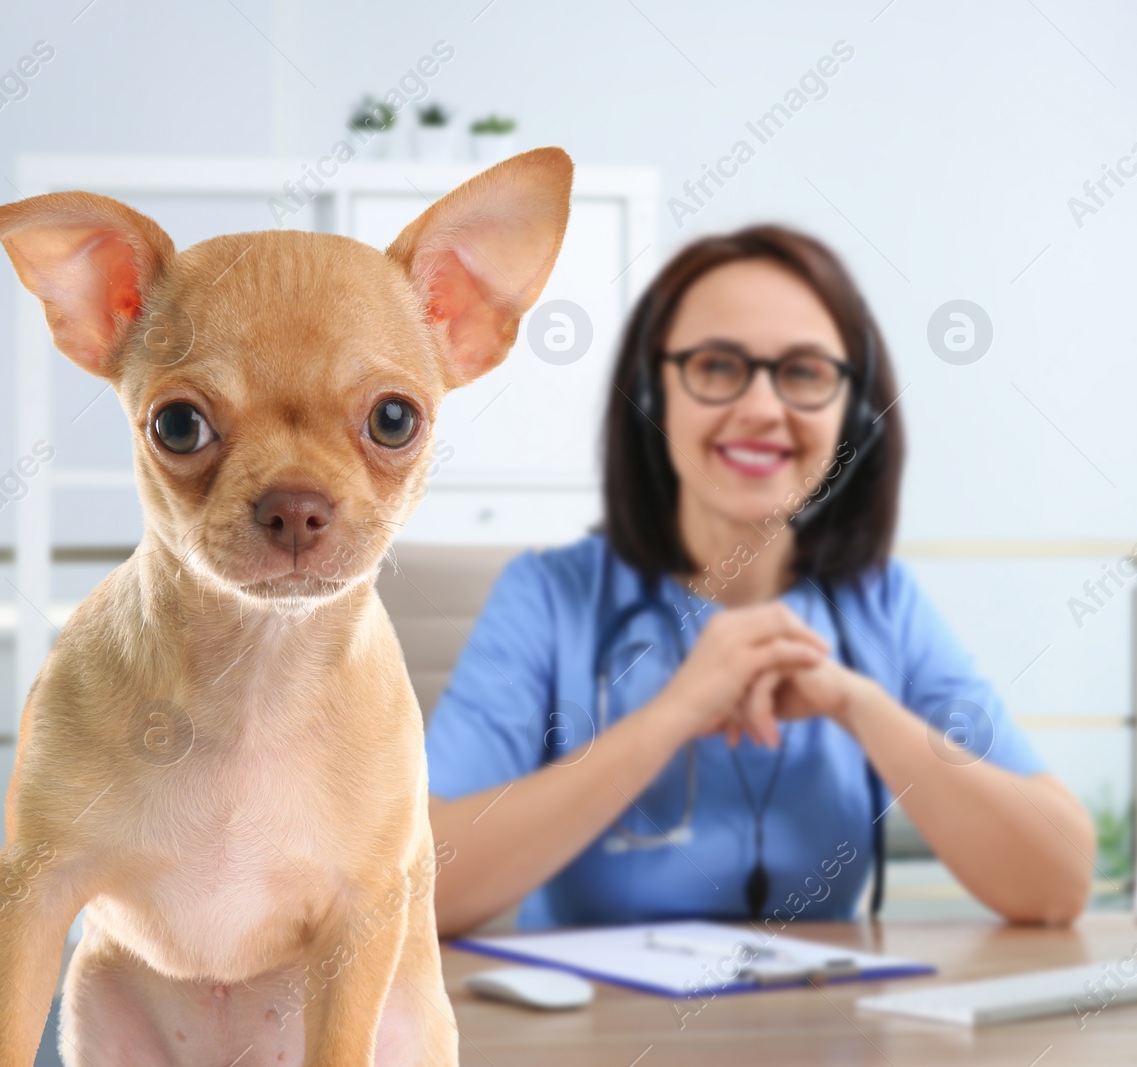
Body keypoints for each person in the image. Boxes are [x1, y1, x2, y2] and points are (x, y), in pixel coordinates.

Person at [425, 225, 1094, 934]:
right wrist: (672, 714)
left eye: (804, 372)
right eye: (717, 366)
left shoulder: (881, 605)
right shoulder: (549, 598)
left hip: (821, 1033)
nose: (762, 409)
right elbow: (413, 886)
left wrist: (858, 703)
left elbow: (1058, 881)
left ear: (852, 413)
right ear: (657, 392)